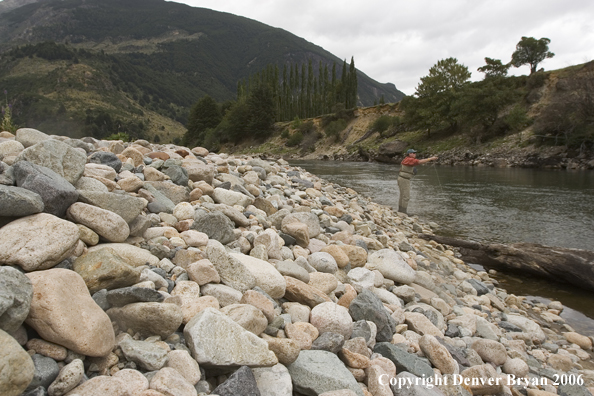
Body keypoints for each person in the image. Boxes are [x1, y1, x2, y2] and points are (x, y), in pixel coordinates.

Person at [398, 149, 438, 214]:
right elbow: (420, 162)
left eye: (415, 153)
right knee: (406, 196)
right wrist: (431, 159)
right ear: (409, 154)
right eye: (413, 153)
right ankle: (403, 212)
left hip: (402, 179)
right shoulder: (409, 159)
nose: (414, 154)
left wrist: (412, 169)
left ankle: (400, 211)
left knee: (402, 195)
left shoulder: (407, 159)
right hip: (404, 179)